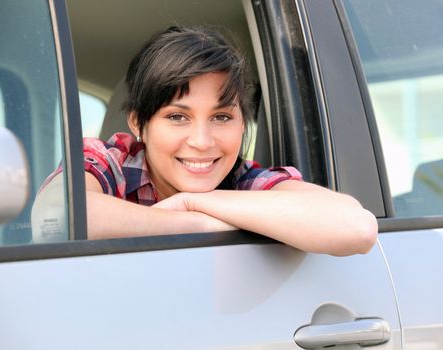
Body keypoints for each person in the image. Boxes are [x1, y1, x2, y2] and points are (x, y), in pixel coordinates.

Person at [35, 26, 377, 255]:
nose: (201, 141)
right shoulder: (109, 161)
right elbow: (56, 218)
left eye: (222, 117)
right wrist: (195, 223)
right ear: (139, 122)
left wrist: (192, 201)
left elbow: (356, 228)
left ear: (243, 124)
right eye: (177, 117)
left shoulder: (245, 181)